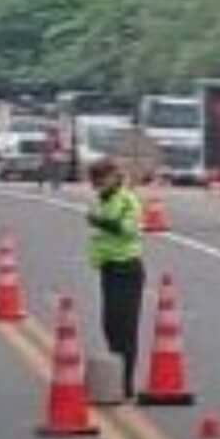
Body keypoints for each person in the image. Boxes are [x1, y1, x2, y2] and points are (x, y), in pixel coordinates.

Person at [82, 157, 146, 369]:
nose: (97, 184)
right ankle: (116, 374)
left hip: (127, 268)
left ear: (113, 177)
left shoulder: (127, 199)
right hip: (108, 267)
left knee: (124, 327)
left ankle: (125, 381)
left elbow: (128, 229)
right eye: (94, 180)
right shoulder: (104, 199)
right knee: (109, 325)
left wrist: (99, 221)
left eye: (101, 179)